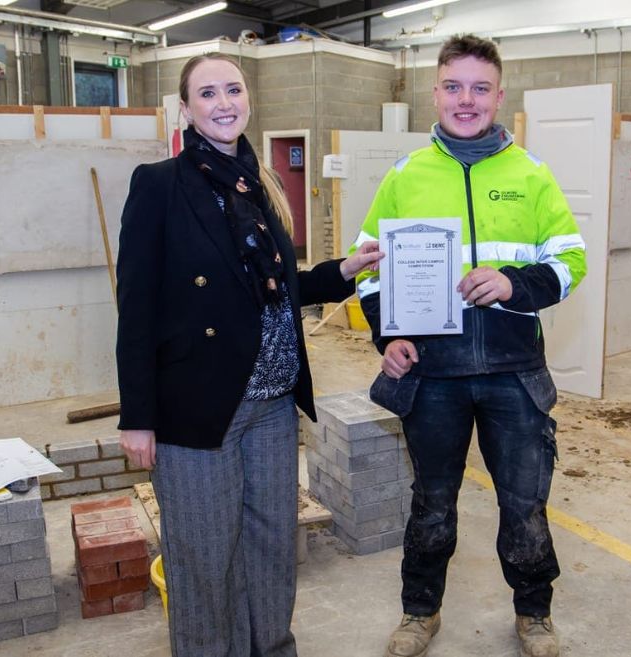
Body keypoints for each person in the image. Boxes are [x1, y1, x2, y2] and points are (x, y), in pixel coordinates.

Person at [115, 53, 382, 657]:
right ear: (185, 108)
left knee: (271, 547)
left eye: (233, 89)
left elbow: (274, 290)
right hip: (199, 407)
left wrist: (343, 271)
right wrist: (138, 415)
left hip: (273, 403)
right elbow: (136, 309)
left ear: (249, 100)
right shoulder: (159, 185)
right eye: (207, 93)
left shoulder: (258, 185)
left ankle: (273, 648)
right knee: (205, 557)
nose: (224, 102)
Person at [353, 34, 586, 657]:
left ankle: (535, 614)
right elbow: (370, 267)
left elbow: (571, 259)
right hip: (435, 373)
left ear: (499, 95)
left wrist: (515, 283)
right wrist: (390, 333)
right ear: (435, 92)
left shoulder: (531, 174)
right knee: (431, 502)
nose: (466, 99)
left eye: (480, 88)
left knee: (525, 505)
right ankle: (419, 612)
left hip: (513, 371)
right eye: (453, 86)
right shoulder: (406, 176)